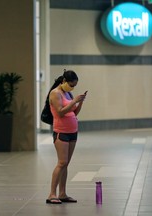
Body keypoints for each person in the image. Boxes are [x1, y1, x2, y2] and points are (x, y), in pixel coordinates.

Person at [46, 70, 87, 204]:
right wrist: (73, 100)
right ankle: (52, 194)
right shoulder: (55, 93)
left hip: (72, 132)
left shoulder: (68, 93)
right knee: (61, 163)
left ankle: (62, 193)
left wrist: (79, 102)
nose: (72, 87)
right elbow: (60, 112)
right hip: (61, 132)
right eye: (71, 84)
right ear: (64, 81)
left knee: (66, 164)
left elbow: (74, 112)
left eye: (74, 85)